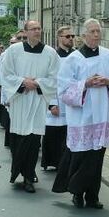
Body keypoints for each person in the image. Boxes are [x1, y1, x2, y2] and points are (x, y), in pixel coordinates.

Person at [53, 19, 109, 209]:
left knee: (98, 156)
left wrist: (107, 81)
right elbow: (63, 88)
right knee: (81, 156)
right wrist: (85, 83)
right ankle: (77, 194)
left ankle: (93, 196)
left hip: (102, 115)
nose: (96, 35)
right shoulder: (73, 59)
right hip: (82, 116)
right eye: (92, 31)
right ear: (83, 35)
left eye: (98, 31)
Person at [0, 20, 62, 193]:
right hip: (20, 100)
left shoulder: (50, 53)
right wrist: (23, 82)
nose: (37, 31)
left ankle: (28, 176)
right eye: (33, 29)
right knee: (19, 139)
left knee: (33, 140)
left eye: (39, 28)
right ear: (25, 32)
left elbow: (55, 77)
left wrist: (37, 83)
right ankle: (18, 171)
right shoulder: (14, 51)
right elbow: (5, 74)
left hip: (37, 101)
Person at [41, 27, 75, 172]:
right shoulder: (53, 56)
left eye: (72, 36)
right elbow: (49, 81)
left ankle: (67, 162)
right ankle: (52, 161)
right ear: (60, 38)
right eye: (68, 36)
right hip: (57, 100)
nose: (71, 38)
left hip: (73, 101)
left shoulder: (77, 56)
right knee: (54, 133)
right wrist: (51, 104)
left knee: (69, 133)